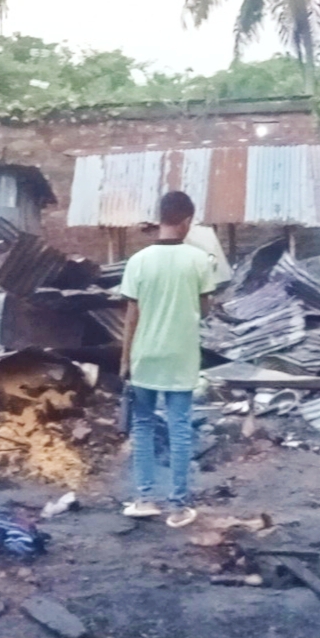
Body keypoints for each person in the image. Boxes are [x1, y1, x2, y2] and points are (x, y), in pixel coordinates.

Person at [119, 190, 218, 528]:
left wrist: (124, 359)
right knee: (179, 428)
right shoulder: (199, 260)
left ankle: (144, 498)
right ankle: (178, 507)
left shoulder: (138, 261)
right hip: (181, 357)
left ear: (160, 218)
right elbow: (205, 310)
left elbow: (131, 316)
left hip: (144, 356)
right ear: (187, 221)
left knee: (143, 426)